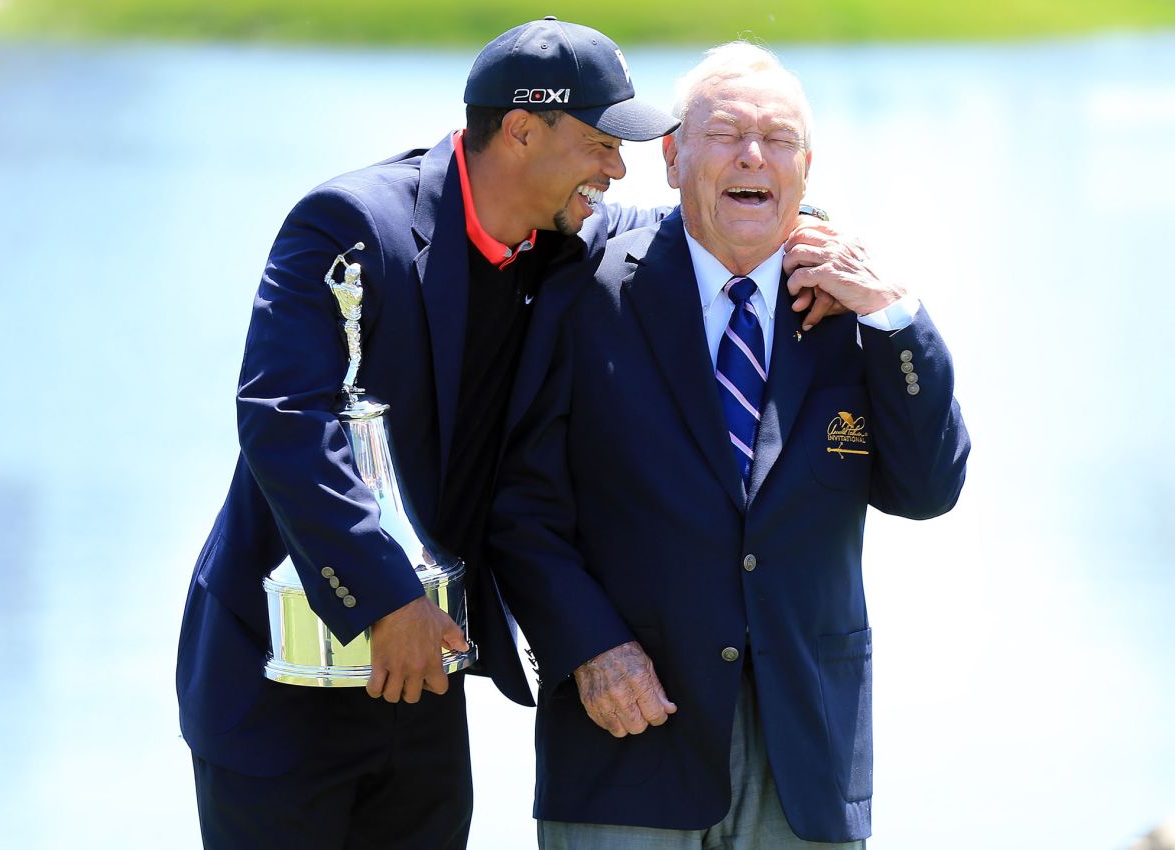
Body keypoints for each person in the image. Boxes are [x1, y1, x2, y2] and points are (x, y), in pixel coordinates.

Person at [174, 17, 684, 850]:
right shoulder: (347, 224)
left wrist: (792, 219)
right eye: (600, 142)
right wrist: (387, 598)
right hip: (276, 683)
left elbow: (651, 229)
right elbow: (283, 415)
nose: (615, 168)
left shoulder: (556, 235)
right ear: (521, 131)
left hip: (420, 685)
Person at [488, 41, 972, 849]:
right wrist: (589, 649)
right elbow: (521, 508)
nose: (754, 155)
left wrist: (895, 313)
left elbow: (927, 489)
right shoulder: (583, 288)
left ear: (806, 169)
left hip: (806, 758)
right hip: (626, 739)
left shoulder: (855, 313)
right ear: (673, 157)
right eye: (726, 135)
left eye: (778, 139)